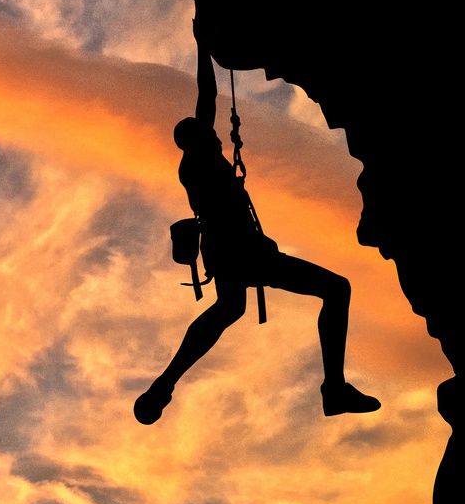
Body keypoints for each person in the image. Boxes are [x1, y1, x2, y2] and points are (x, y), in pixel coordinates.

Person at [134, 25, 381, 425]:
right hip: (240, 250)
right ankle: (333, 388)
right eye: (203, 131)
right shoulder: (199, 162)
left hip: (227, 251)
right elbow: (206, 97)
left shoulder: (199, 160)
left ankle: (165, 383)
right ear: (193, 141)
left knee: (228, 309)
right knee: (336, 289)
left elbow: (206, 100)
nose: (211, 133)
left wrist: (202, 46)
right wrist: (201, 45)